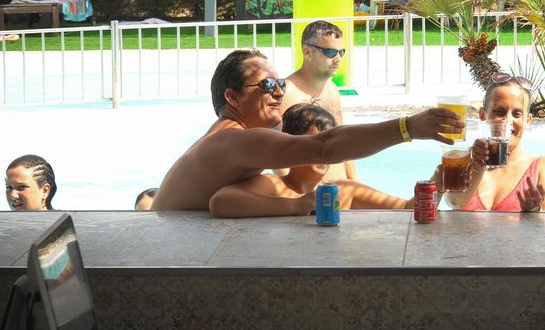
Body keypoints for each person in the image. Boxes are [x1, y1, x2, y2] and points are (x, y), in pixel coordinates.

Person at [150, 48, 462, 216]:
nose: (279, 92)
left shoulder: (222, 138)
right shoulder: (233, 139)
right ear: (232, 97)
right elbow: (325, 146)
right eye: (267, 85)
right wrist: (410, 127)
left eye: (280, 84)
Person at [213, 103, 412, 211]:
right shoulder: (273, 186)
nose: (324, 153)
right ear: (293, 146)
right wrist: (295, 206)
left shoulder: (344, 190)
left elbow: (407, 208)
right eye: (314, 143)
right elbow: (221, 201)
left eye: (331, 147)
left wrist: (432, 186)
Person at [440, 73, 545, 212]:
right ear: (483, 115)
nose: (507, 120)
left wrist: (534, 211)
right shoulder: (462, 162)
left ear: (527, 120)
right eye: (499, 111)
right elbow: (454, 203)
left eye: (517, 114)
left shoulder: (544, 167)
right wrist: (478, 166)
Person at [280, 20, 357, 181]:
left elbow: (343, 141)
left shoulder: (332, 90)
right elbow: (278, 155)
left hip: (339, 189)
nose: (338, 59)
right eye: (330, 52)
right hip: (309, 194)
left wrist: (354, 184)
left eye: (341, 52)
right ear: (307, 52)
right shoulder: (286, 94)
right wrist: (294, 194)